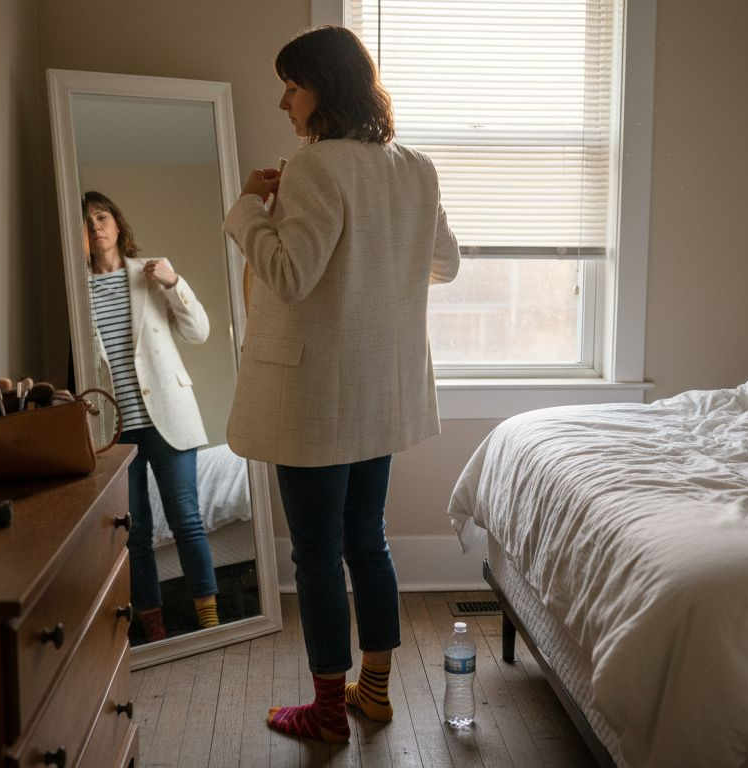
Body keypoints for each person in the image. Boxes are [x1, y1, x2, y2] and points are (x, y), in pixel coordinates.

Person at [222, 26, 460, 744]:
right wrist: (380, 250)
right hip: (379, 393)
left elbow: (291, 276)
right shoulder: (415, 167)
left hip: (316, 400)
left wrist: (247, 214)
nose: (283, 101)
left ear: (325, 87)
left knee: (318, 552)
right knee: (369, 540)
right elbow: (444, 263)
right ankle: (375, 694)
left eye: (292, 84)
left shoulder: (316, 167)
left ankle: (327, 713)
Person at [82, 190, 220, 643]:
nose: (96, 227)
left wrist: (174, 281)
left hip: (169, 419)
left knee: (186, 518)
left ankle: (210, 621)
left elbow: (198, 332)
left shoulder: (151, 273)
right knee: (134, 532)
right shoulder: (75, 290)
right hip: (114, 429)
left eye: (102, 217)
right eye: (85, 222)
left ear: (118, 224)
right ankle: (154, 628)